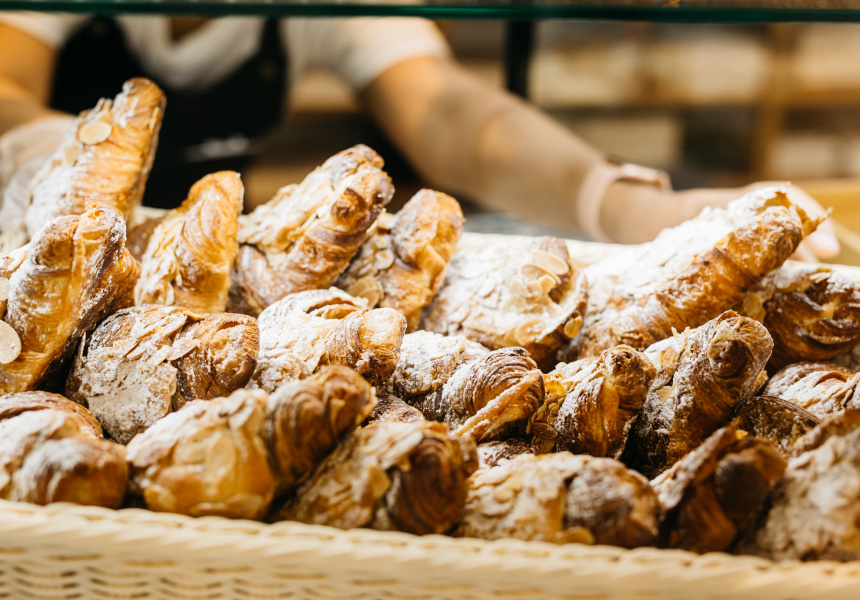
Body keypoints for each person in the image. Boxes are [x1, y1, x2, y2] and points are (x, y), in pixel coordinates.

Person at [0, 13, 839, 258]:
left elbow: (450, 113)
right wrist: (67, 164)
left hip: (200, 258)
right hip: (41, 246)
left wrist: (621, 205)